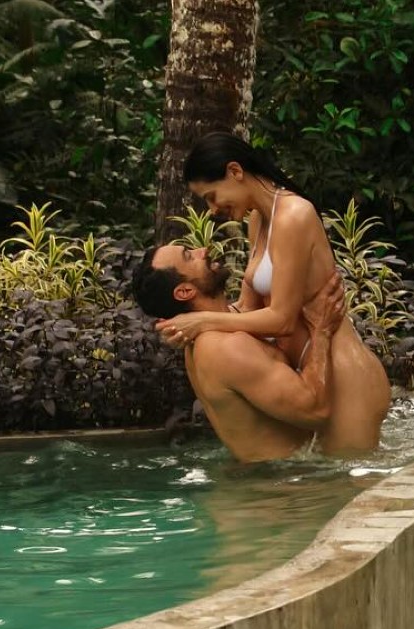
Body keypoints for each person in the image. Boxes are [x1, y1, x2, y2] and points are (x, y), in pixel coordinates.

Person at [156, 131, 390, 453]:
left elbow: (280, 319)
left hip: (346, 378)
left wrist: (202, 321)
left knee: (358, 498)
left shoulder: (295, 216)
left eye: (211, 196)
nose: (211, 209)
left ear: (235, 172)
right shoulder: (259, 220)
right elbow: (248, 310)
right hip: (315, 374)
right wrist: (187, 324)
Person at [131, 241, 346, 463]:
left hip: (272, 480)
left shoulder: (211, 332)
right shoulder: (225, 348)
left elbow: (251, 288)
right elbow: (316, 411)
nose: (202, 251)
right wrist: (322, 331)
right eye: (189, 256)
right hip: (285, 484)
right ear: (185, 291)